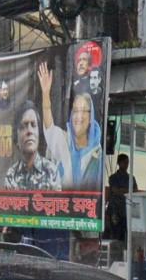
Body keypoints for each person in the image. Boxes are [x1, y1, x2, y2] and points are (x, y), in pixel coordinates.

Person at [37, 61, 103, 190]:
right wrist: (45, 94)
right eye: (75, 111)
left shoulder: (96, 149)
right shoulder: (64, 140)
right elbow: (49, 127)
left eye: (83, 111)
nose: (78, 116)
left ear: (91, 117)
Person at [3, 101, 62, 191]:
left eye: (33, 125)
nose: (29, 131)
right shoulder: (11, 175)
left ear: (39, 132)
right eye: (24, 126)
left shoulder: (51, 171)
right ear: (16, 136)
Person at [104, 155, 136, 241]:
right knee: (115, 233)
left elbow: (134, 191)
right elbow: (115, 190)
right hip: (115, 209)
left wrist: (122, 190)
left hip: (126, 209)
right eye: (124, 162)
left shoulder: (131, 178)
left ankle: (123, 252)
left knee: (125, 233)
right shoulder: (113, 177)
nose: (126, 165)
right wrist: (126, 190)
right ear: (119, 163)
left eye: (127, 163)